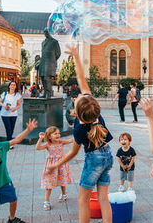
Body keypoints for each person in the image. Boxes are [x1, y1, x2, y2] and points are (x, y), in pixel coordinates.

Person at [46, 43, 114, 223]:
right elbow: (82, 78)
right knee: (103, 198)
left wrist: (55, 165)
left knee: (82, 199)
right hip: (108, 155)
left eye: (77, 99)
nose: (77, 96)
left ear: (77, 111)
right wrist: (76, 55)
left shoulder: (79, 127)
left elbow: (73, 153)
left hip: (94, 160)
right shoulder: (93, 110)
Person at [36, 126, 74, 210]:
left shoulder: (61, 142)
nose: (58, 135)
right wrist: (40, 139)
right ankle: (46, 201)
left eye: (58, 133)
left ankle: (64, 194)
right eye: (55, 133)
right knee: (49, 183)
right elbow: (38, 148)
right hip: (51, 166)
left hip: (61, 164)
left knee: (62, 180)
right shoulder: (48, 145)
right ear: (49, 136)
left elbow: (71, 140)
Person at [36, 28, 61, 98]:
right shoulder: (43, 42)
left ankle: (49, 94)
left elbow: (58, 53)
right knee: (42, 78)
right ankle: (45, 93)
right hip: (43, 63)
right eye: (44, 32)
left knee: (47, 78)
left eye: (46, 32)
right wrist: (39, 63)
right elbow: (43, 54)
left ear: (50, 32)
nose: (45, 34)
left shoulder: (54, 42)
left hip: (50, 63)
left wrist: (52, 60)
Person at [0, 81, 23, 146]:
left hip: (13, 114)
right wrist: (4, 106)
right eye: (11, 85)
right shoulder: (5, 93)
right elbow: (0, 102)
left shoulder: (17, 95)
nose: (12, 86)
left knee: (11, 129)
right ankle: (9, 144)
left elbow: (19, 104)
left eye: (14, 85)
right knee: (8, 128)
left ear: (16, 86)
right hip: (4, 114)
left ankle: (8, 142)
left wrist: (15, 108)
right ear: (9, 86)